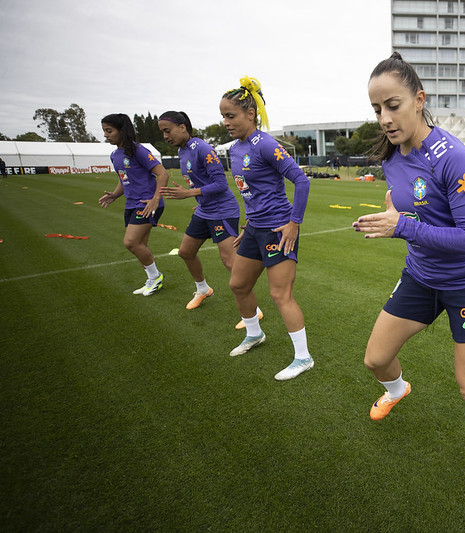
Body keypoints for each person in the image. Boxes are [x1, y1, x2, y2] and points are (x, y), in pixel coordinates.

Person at [353, 52, 465, 512]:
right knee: (376, 359)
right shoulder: (392, 156)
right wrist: (398, 217)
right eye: (377, 108)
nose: (384, 118)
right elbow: (410, 208)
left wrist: (403, 227)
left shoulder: (452, 155)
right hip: (421, 275)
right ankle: (399, 390)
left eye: (393, 105)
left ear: (419, 100)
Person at [222, 76, 314, 381]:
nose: (226, 122)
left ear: (251, 114)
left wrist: (294, 224)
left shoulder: (266, 144)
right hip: (255, 229)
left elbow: (301, 180)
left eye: (231, 115)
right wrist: (248, 227)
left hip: (278, 229)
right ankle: (254, 334)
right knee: (238, 285)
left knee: (280, 295)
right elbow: (250, 192)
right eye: (223, 116)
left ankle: (303, 358)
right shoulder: (234, 149)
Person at [157, 111, 241, 312]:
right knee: (186, 252)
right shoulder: (182, 151)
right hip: (204, 210)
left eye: (167, 131)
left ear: (183, 127)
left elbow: (221, 184)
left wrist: (189, 193)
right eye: (162, 133)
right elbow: (203, 182)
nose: (166, 137)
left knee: (230, 261)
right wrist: (199, 198)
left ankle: (252, 309)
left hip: (223, 211)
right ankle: (203, 289)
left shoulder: (202, 148)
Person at [98, 113, 169, 295]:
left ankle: (156, 277)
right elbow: (124, 179)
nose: (106, 135)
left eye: (109, 130)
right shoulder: (115, 155)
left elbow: (163, 174)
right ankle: (151, 279)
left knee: (130, 242)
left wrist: (155, 200)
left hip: (146, 203)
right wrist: (114, 195)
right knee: (140, 246)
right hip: (131, 204)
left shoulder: (138, 151)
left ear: (122, 130)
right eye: (104, 131)